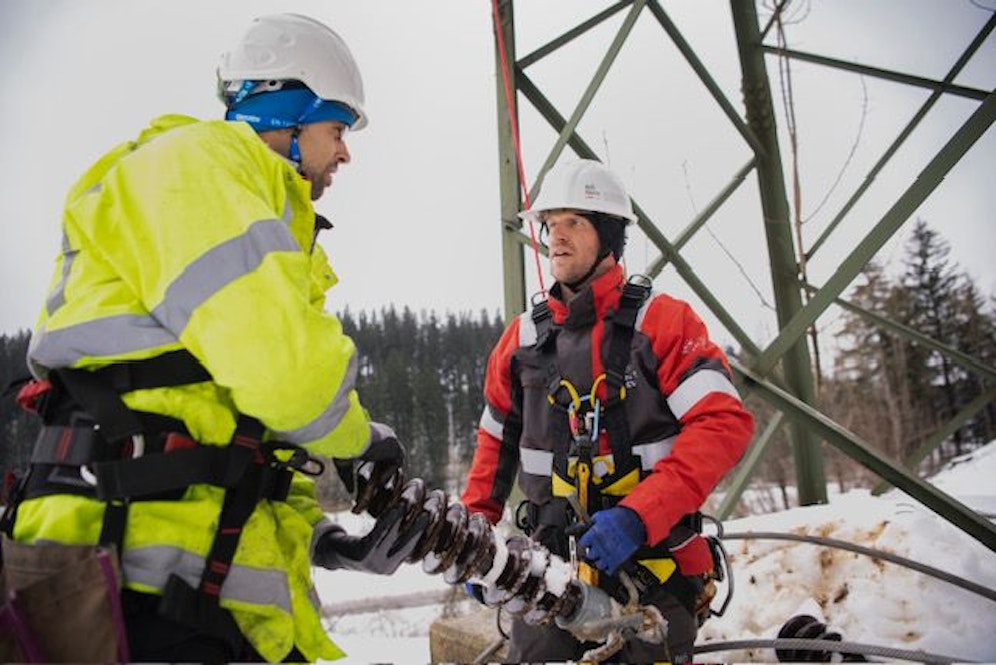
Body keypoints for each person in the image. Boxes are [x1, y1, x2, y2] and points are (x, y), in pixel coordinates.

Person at [4, 13, 422, 663]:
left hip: (181, 580)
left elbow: (230, 420)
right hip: (138, 580)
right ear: (289, 113)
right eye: (337, 128)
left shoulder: (234, 202)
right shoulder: (201, 167)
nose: (345, 152)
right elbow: (286, 381)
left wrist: (320, 538)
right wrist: (361, 438)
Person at [461, 158, 754, 663]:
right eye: (551, 224)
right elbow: (493, 449)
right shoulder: (521, 341)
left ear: (609, 234)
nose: (557, 236)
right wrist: (472, 541)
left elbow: (723, 424)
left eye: (575, 222)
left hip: (653, 571)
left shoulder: (663, 324)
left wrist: (641, 516)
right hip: (548, 575)